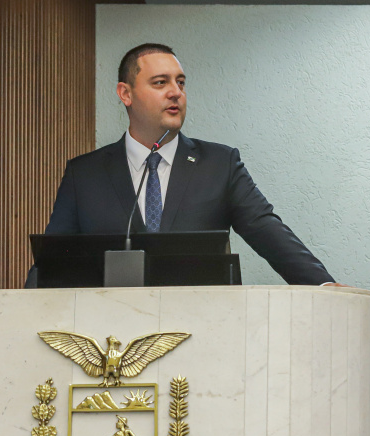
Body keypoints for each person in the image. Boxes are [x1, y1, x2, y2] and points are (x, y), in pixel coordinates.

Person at [30, 43, 340, 286]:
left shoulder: (220, 165)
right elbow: (52, 263)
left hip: (203, 335)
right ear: (126, 93)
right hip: (112, 342)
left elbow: (268, 232)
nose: (175, 92)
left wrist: (324, 284)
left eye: (180, 82)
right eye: (160, 82)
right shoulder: (84, 174)